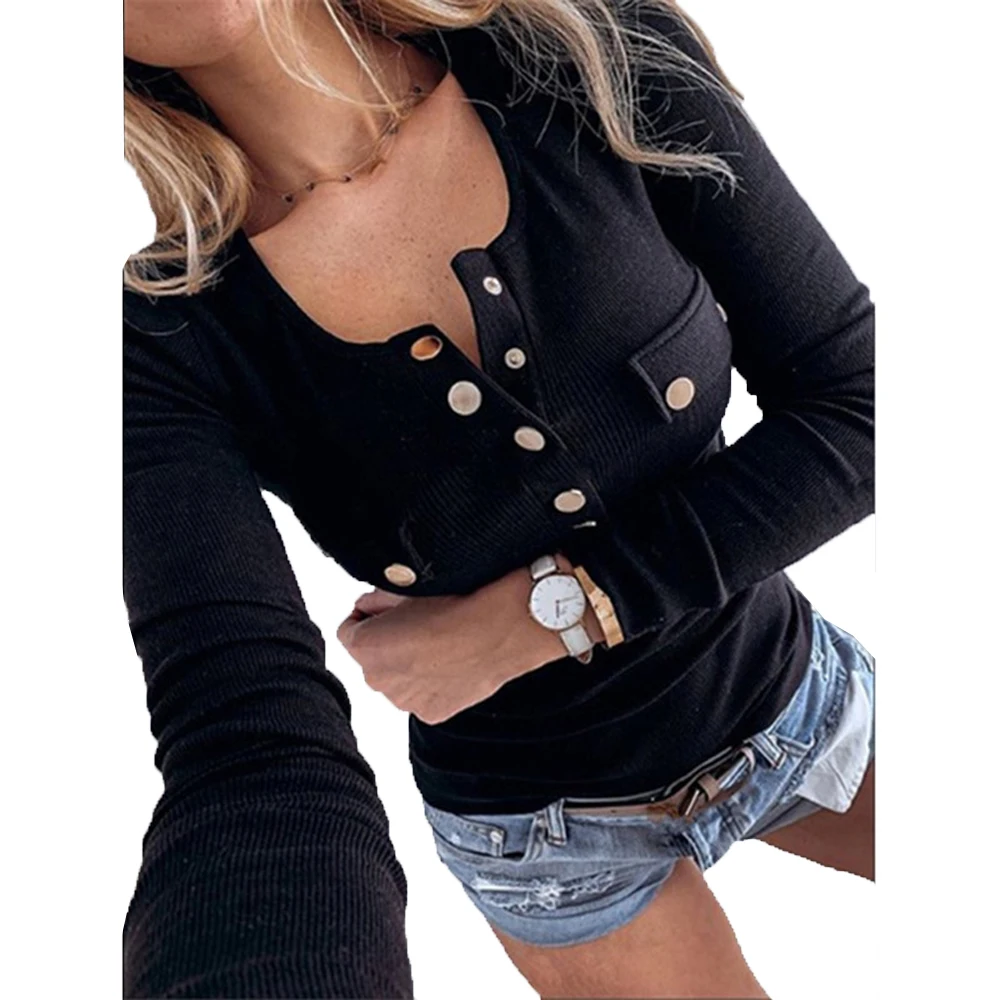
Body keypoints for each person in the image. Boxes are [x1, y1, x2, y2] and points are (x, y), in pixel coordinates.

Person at [122, 1, 874, 997]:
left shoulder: (588, 50)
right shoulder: (159, 331)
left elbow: (867, 410)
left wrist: (546, 616)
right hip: (546, 844)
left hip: (796, 691)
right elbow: (240, 741)